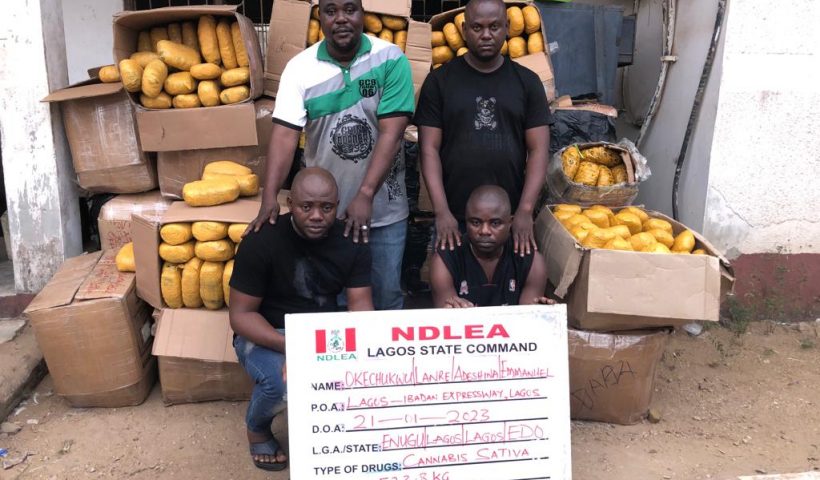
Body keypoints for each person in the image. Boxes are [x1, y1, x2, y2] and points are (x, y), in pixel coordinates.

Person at [247, 0, 415, 311]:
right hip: (324, 218)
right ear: (320, 17)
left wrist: (365, 194)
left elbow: (392, 134)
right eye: (331, 11)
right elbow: (285, 136)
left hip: (384, 213)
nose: (341, 19)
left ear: (363, 14)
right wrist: (269, 196)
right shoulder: (300, 68)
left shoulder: (390, 59)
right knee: (329, 308)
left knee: (385, 302)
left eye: (350, 9)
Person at [229, 167, 373, 471]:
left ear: (337, 205)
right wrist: (292, 347)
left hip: (321, 335)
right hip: (266, 333)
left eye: (327, 207)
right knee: (284, 384)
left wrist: (363, 355)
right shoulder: (260, 240)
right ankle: (257, 428)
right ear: (290, 203)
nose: (317, 216)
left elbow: (361, 307)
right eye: (306, 207)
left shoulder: (352, 241)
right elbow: (241, 316)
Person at [414, 0, 553, 257]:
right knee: (447, 283)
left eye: (494, 27)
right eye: (477, 27)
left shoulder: (527, 82)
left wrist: (524, 211)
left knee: (516, 282)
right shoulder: (439, 82)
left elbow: (538, 150)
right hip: (453, 219)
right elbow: (428, 150)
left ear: (507, 27)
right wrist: (441, 211)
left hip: (509, 220)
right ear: (464, 30)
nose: (486, 35)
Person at [430, 185, 553, 308]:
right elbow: (446, 316)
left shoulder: (532, 262)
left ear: (510, 223)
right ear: (466, 221)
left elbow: (528, 316)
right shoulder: (445, 261)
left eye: (495, 223)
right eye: (475, 222)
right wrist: (452, 309)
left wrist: (542, 312)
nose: (484, 231)